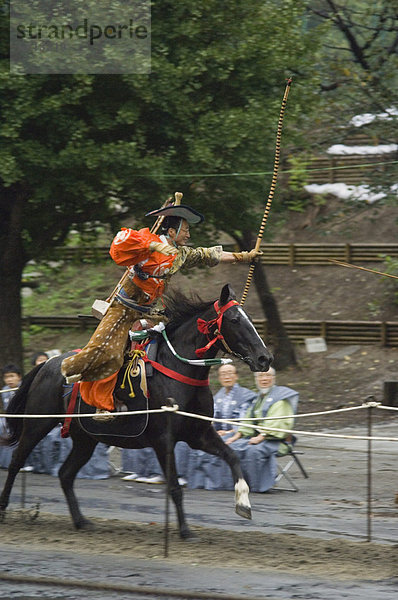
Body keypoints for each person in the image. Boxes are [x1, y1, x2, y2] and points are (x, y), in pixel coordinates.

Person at [60, 202, 261, 420]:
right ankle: (86, 386)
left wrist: (244, 256)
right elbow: (119, 244)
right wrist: (154, 247)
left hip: (152, 311)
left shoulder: (180, 254)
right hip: (124, 309)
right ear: (172, 232)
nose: (188, 234)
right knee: (111, 353)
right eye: (185, 230)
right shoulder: (145, 245)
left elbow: (208, 255)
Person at [186, 367, 298, 492]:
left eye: (267, 376)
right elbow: (247, 421)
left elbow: (278, 424)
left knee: (252, 451)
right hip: (257, 438)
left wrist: (261, 437)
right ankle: (227, 483)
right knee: (230, 446)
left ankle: (256, 487)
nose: (264, 379)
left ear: (273, 378)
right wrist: (235, 437)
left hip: (277, 441)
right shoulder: (259, 398)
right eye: (260, 376)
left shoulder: (280, 399)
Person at [213, 364, 257, 435]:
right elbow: (212, 419)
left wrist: (228, 432)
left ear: (236, 376)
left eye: (230, 373)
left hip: (239, 436)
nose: (227, 377)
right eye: (223, 374)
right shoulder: (217, 397)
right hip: (218, 435)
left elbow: (245, 423)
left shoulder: (246, 395)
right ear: (219, 378)